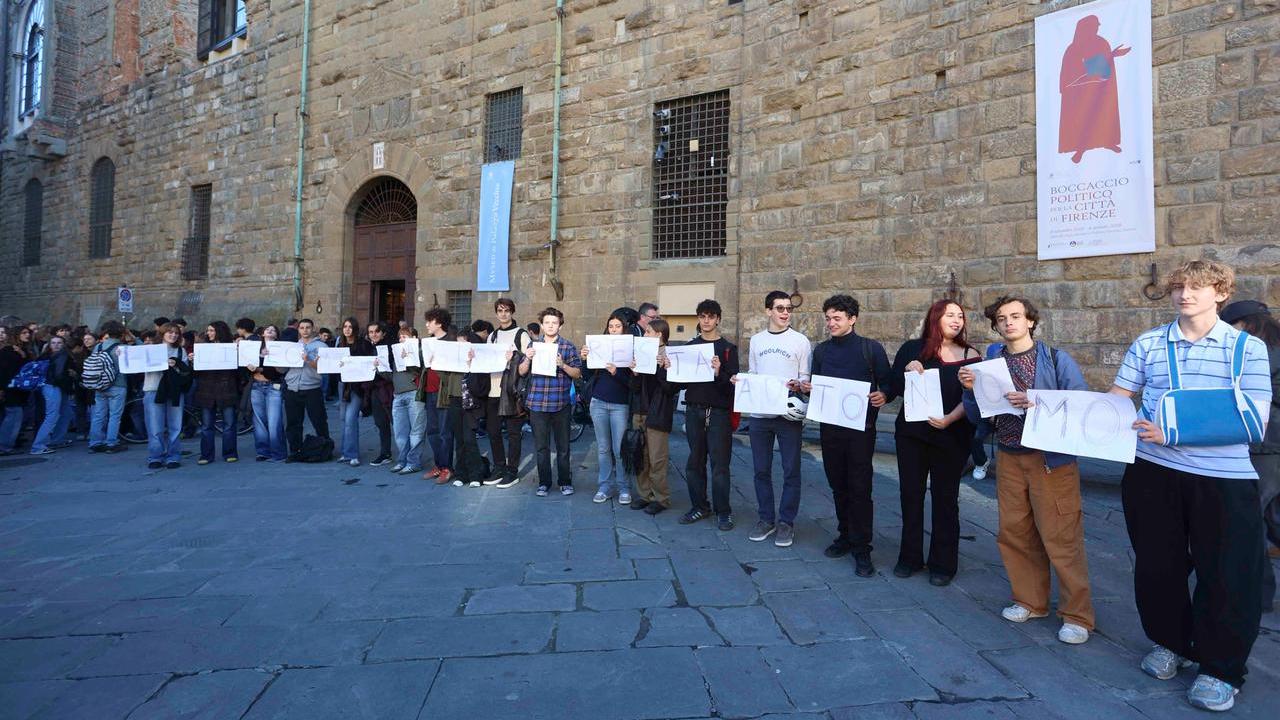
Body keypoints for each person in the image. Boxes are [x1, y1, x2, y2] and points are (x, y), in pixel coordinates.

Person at [1110, 260, 1271, 712]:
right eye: (1179, 286)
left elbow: (1253, 422)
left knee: (1228, 575)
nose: (1185, 294)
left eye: (1198, 286)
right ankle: (1172, 643)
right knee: (1157, 568)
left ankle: (1221, 669)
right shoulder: (1148, 343)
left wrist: (1174, 432)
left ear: (1221, 293)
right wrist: (1046, 406)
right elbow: (1117, 400)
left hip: (1224, 478)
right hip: (1153, 472)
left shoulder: (1247, 349)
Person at [959, 296, 1095, 645]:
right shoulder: (991, 361)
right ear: (995, 325)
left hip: (1050, 460)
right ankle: (1030, 601)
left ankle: (1077, 615)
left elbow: (1081, 403)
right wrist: (970, 390)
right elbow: (976, 416)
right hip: (1009, 456)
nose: (1009, 322)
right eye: (1001, 318)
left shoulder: (1056, 358)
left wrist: (1036, 402)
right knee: (1015, 532)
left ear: (1030, 321)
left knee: (1061, 536)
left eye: (1016, 316)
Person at [888, 299, 981, 586]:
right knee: (910, 495)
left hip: (952, 435)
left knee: (946, 499)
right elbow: (893, 387)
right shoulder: (912, 349)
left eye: (960, 316)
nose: (956, 320)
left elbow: (976, 397)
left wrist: (950, 419)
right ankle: (910, 557)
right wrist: (908, 371)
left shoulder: (971, 355)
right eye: (950, 315)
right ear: (935, 318)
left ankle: (943, 564)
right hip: (912, 436)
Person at [803, 294, 892, 577]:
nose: (831, 323)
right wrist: (807, 389)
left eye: (837, 318)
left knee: (860, 489)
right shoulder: (821, 351)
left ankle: (862, 548)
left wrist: (884, 395)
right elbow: (816, 385)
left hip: (860, 432)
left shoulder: (870, 349)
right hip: (830, 429)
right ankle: (845, 535)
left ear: (852, 319)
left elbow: (889, 383)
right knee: (838, 485)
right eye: (828, 318)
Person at [734, 290, 811, 548]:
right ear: (768, 311)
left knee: (791, 471)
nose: (785, 313)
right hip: (760, 415)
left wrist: (799, 384)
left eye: (789, 308)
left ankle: (786, 522)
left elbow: (805, 377)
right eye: (780, 308)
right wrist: (741, 381)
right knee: (761, 470)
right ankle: (766, 519)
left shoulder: (800, 341)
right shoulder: (757, 340)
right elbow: (754, 373)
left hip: (788, 416)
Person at [1219, 299, 1280, 613]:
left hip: (1266, 447)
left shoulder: (1258, 350)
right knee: (1274, 518)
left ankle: (1258, 594)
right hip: (1272, 447)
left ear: (1244, 325)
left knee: (1249, 519)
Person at [678, 299, 739, 530]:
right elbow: (679, 383)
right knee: (694, 462)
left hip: (719, 413)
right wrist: (669, 367)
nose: (706, 320)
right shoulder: (690, 346)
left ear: (718, 319)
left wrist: (718, 371)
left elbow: (732, 387)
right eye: (702, 316)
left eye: (711, 316)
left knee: (720, 465)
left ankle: (723, 512)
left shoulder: (728, 349)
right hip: (694, 410)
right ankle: (699, 506)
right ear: (698, 318)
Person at [519, 307, 582, 496]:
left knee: (563, 447)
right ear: (541, 325)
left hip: (560, 403)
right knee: (541, 447)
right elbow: (521, 371)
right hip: (537, 403)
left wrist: (563, 365)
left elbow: (577, 373)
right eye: (547, 322)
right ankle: (544, 482)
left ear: (560, 326)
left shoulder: (567, 346)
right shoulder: (533, 345)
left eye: (554, 323)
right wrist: (527, 359)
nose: (550, 326)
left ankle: (565, 481)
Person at [581, 310, 635, 505]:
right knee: (603, 448)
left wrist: (616, 372)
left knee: (619, 449)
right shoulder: (599, 345)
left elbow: (632, 383)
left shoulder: (630, 350)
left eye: (617, 326)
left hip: (620, 405)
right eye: (611, 326)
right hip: (599, 403)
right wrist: (585, 359)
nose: (613, 329)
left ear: (623, 329)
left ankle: (624, 487)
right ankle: (604, 486)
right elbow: (587, 375)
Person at [632, 318, 677, 515]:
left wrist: (661, 369)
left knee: (657, 458)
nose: (645, 334)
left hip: (659, 412)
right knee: (640, 456)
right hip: (640, 410)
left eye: (648, 331)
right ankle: (645, 495)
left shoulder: (671, 355)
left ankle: (661, 498)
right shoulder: (642, 351)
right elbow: (634, 388)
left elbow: (670, 388)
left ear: (659, 334)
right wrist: (634, 373)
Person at [485, 298, 531, 488]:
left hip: (511, 392)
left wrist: (514, 359)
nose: (503, 314)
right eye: (500, 311)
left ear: (512, 312)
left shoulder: (521, 334)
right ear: (496, 313)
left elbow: (527, 362)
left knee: (513, 433)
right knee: (493, 432)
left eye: (506, 310)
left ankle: (512, 471)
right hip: (493, 389)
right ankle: (499, 467)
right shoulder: (492, 336)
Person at [192, 321, 241, 465]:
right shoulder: (203, 348)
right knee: (207, 425)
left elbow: (238, 372)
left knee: (229, 424)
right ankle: (206, 454)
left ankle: (230, 453)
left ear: (220, 331)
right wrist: (193, 361)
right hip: (207, 390)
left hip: (227, 389)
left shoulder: (231, 347)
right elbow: (196, 373)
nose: (208, 333)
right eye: (208, 330)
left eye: (212, 330)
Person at [144, 324, 192, 470]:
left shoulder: (180, 350)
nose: (173, 335)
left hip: (174, 390)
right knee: (155, 426)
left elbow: (185, 371)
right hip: (153, 388)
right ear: (162, 333)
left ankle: (173, 456)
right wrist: (121, 353)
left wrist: (177, 364)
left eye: (176, 333)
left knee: (175, 425)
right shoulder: (151, 349)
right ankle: (155, 456)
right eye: (170, 332)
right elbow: (135, 360)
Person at [446, 325, 489, 487]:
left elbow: (479, 386)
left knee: (470, 439)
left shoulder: (478, 363)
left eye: (463, 344)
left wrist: (471, 364)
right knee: (459, 440)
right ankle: (461, 474)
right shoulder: (453, 361)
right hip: (455, 401)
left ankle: (476, 475)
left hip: (471, 404)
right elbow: (445, 379)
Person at [283, 319, 330, 461]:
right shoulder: (292, 346)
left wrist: (308, 359)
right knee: (293, 423)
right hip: (292, 388)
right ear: (298, 329)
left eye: (308, 327)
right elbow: (282, 369)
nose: (305, 330)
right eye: (302, 327)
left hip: (312, 388)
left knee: (319, 420)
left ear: (313, 328)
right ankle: (295, 451)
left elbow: (323, 368)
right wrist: (272, 359)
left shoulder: (321, 346)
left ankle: (326, 448)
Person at [421, 308, 455, 482]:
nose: (427, 324)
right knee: (432, 431)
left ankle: (447, 467)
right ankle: (439, 465)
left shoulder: (451, 341)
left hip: (444, 392)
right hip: (429, 390)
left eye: (430, 321)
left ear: (439, 323)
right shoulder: (427, 342)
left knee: (444, 432)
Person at [29, 336, 77, 455]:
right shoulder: (63, 356)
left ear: (63, 344)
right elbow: (60, 375)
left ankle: (56, 440)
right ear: (49, 345)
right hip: (54, 386)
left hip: (53, 386)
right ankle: (38, 446)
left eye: (59, 343)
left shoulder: (46, 356)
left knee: (64, 413)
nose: (56, 345)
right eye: (54, 343)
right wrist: (72, 376)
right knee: (53, 415)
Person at [245, 325, 287, 462]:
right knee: (259, 420)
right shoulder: (254, 348)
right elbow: (245, 367)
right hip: (256, 386)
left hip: (273, 386)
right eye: (267, 329)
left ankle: (278, 453)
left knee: (274, 421)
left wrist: (261, 369)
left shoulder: (280, 349)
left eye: (273, 330)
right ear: (262, 333)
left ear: (276, 335)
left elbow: (279, 372)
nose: (270, 331)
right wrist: (251, 368)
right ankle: (263, 452)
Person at [87, 321, 130, 453]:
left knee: (98, 415)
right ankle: (111, 443)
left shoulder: (98, 346)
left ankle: (95, 442)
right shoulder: (122, 348)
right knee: (114, 416)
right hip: (118, 384)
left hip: (100, 384)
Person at [389, 326, 426, 475]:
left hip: (414, 393)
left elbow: (420, 371)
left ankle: (413, 462)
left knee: (416, 431)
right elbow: (393, 376)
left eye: (405, 336)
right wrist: (379, 368)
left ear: (414, 338)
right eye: (400, 337)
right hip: (398, 395)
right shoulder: (398, 352)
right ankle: (402, 460)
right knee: (400, 431)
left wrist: (409, 359)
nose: (401, 339)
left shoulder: (421, 351)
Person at [334, 318, 370, 466]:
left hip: (357, 386)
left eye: (350, 326)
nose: (347, 329)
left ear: (355, 328)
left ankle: (352, 454)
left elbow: (367, 363)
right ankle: (345, 453)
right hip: (343, 384)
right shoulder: (339, 344)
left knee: (350, 419)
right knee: (343, 419)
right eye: (345, 326)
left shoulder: (363, 344)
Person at [365, 321, 395, 466]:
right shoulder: (369, 347)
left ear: (383, 333)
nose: (374, 334)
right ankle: (385, 453)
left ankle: (407, 456)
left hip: (389, 389)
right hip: (375, 389)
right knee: (381, 422)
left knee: (396, 422)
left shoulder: (390, 347)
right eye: (371, 332)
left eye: (376, 331)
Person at [0, 328, 31, 455]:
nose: (27, 335)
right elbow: (3, 371)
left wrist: (23, 355)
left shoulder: (22, 350)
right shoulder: (8, 351)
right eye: (24, 333)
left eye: (28, 333)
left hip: (19, 389)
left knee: (14, 416)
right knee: (13, 416)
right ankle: (4, 446)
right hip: (10, 389)